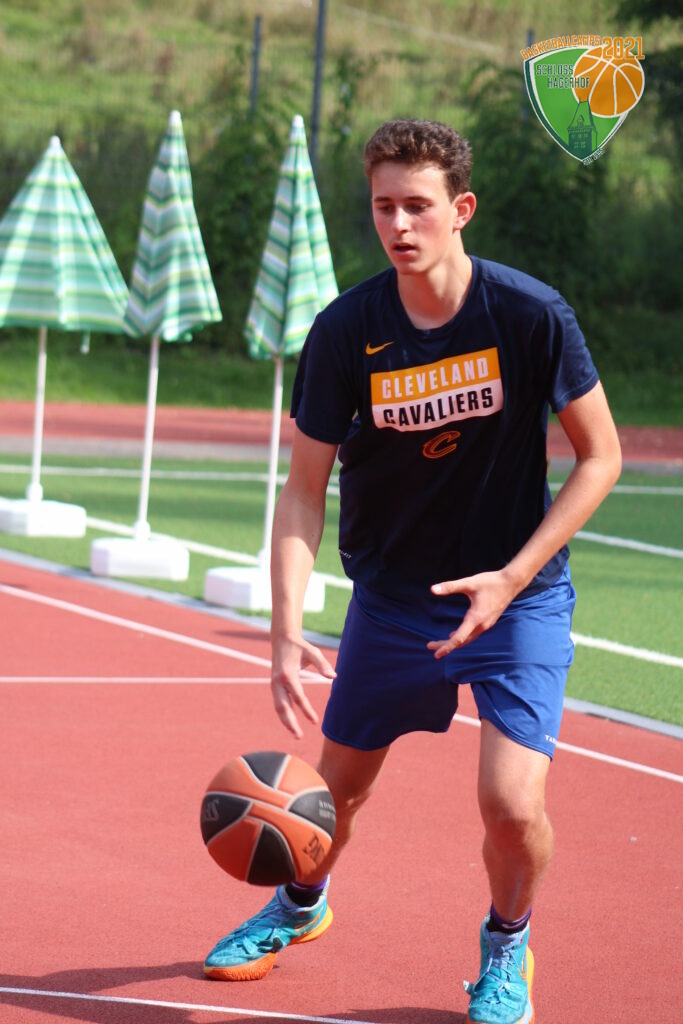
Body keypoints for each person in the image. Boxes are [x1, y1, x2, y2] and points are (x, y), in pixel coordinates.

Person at [204, 118, 622, 1023]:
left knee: (510, 804)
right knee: (335, 793)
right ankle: (299, 905)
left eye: (417, 207)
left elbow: (601, 457)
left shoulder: (529, 314)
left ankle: (505, 947)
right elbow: (302, 491)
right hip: (392, 601)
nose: (398, 225)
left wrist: (511, 576)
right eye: (382, 206)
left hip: (515, 599)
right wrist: (284, 629)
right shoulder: (345, 330)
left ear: (460, 209)